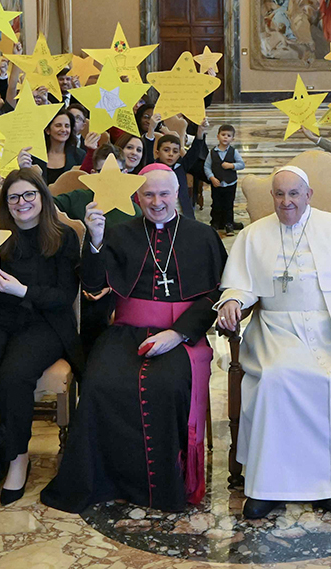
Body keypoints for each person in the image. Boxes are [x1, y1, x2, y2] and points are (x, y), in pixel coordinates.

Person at [216, 167, 331, 519]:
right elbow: (240, 285)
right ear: (271, 196)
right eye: (279, 194)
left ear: (309, 194)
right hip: (276, 329)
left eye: (293, 194)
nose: (286, 201)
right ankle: (268, 487)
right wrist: (232, 301)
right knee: (275, 379)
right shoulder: (254, 235)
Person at [41, 166, 229, 512]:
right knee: (100, 382)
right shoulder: (119, 233)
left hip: (182, 335)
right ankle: (107, 480)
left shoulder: (202, 236)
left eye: (164, 194)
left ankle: (163, 485)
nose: (156, 202)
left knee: (167, 384)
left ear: (177, 194)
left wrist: (178, 334)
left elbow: (213, 296)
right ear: (136, 197)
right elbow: (95, 287)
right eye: (148, 195)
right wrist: (95, 240)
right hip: (126, 330)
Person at [0, 167, 82, 506]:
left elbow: (64, 296)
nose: (21, 202)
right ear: (5, 204)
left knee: (14, 376)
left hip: (44, 322)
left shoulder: (63, 237)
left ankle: (17, 458)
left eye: (28, 195)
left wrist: (24, 290)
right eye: (13, 197)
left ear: (42, 197)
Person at [208, 123, 244, 233]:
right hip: (217, 184)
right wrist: (211, 177)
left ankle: (229, 223)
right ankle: (215, 223)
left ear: (232, 139)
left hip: (230, 183)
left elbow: (241, 164)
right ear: (218, 136)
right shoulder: (213, 152)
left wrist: (232, 166)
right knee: (216, 204)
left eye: (229, 135)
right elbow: (207, 166)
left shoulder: (234, 152)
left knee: (229, 204)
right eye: (223, 134)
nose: (225, 137)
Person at [40, 108, 86, 185]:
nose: (63, 129)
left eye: (67, 126)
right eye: (58, 126)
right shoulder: (35, 156)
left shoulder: (79, 155)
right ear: (47, 130)